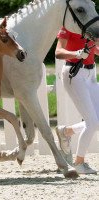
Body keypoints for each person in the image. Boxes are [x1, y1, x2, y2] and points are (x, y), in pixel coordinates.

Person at [55, 27, 99, 174]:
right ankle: (79, 163)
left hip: (91, 74)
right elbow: (58, 52)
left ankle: (66, 132)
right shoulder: (67, 27)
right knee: (92, 122)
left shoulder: (91, 26)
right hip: (74, 74)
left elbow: (94, 50)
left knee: (95, 121)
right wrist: (77, 54)